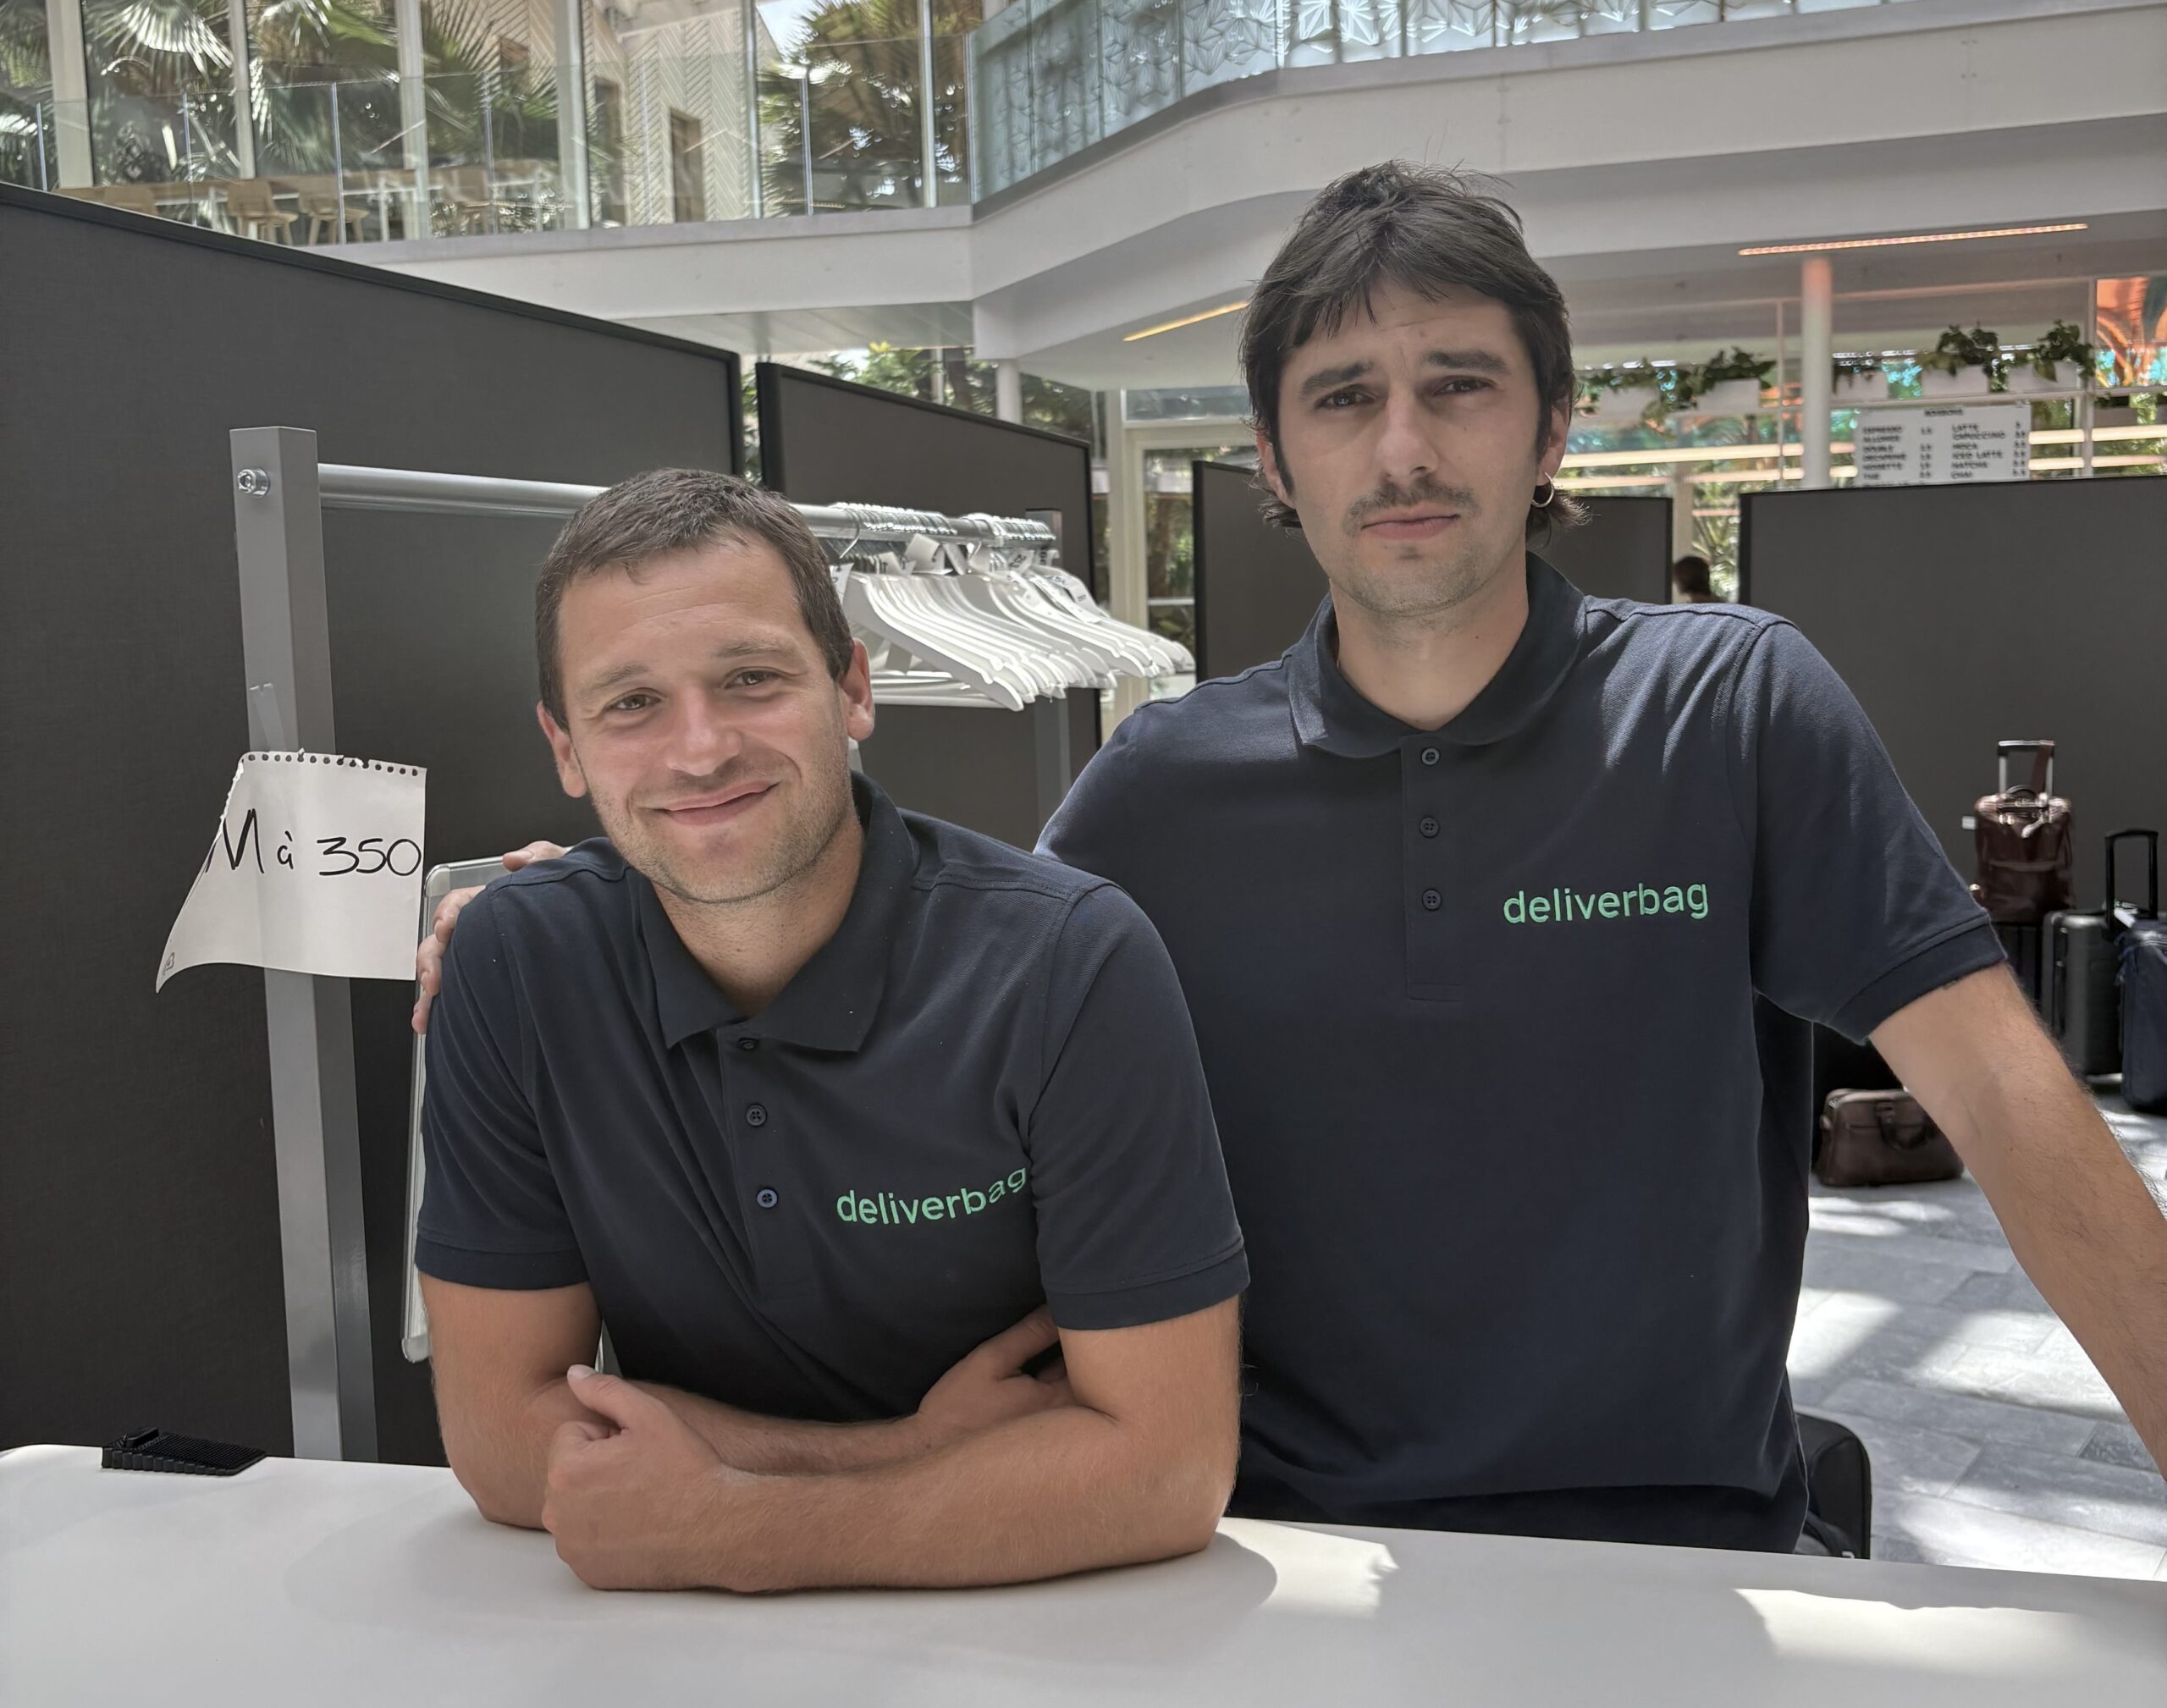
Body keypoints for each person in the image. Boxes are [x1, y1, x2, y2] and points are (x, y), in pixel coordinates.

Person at [427, 165, 2167, 1558]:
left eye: (1455, 386)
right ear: (1269, 457)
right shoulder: (1155, 790)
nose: (1399, 447)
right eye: (1341, 398)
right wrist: (596, 894)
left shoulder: (1728, 706)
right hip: (1253, 1554)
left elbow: (2015, 1115)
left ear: (1549, 428)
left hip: (1672, 1542)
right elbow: (937, 985)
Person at [411, 469, 1246, 1594]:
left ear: (852, 687)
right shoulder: (513, 964)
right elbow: (503, 1440)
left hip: (1040, 1643)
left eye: (749, 678)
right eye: (631, 703)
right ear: (565, 747)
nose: (700, 749)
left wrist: (744, 1529)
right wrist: (905, 1453)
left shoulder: (1069, 962)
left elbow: (1168, 1468)